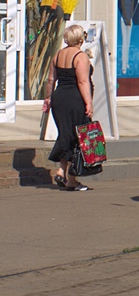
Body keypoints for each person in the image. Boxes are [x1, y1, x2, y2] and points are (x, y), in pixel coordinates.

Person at [43, 24, 93, 191]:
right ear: (81, 38)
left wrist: (48, 98)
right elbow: (82, 82)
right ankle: (70, 179)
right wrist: (89, 102)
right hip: (75, 98)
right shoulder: (81, 57)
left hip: (59, 98)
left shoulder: (57, 55)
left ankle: (62, 171)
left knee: (65, 133)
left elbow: (51, 80)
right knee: (75, 136)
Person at [118, 0, 138, 71]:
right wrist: (126, 19)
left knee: (128, 43)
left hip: (130, 20)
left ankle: (126, 63)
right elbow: (122, 7)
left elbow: (132, 7)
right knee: (124, 42)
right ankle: (123, 66)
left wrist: (130, 19)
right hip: (124, 20)